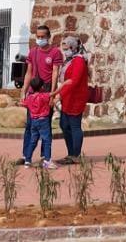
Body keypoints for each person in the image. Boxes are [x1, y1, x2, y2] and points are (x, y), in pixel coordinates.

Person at [20, 25, 62, 165]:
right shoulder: (33, 52)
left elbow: (55, 72)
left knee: (45, 125)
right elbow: (29, 72)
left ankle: (45, 156)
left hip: (46, 91)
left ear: (48, 37)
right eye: (38, 36)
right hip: (33, 92)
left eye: (42, 37)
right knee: (30, 125)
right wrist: (24, 91)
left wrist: (52, 94)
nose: (40, 39)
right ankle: (26, 156)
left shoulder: (55, 52)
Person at [54, 37, 88, 165]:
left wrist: (59, 94)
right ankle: (71, 153)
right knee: (64, 125)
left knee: (74, 125)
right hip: (68, 97)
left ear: (73, 48)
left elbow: (74, 81)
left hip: (75, 97)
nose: (65, 51)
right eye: (64, 49)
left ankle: (75, 154)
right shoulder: (70, 60)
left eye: (67, 49)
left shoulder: (78, 61)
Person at [20, 77, 57, 169]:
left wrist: (23, 95)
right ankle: (47, 161)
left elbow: (23, 103)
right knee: (47, 140)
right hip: (43, 121)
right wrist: (63, 85)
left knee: (33, 141)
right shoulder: (43, 96)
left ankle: (27, 160)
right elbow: (54, 93)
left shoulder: (29, 98)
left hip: (34, 121)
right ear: (42, 87)